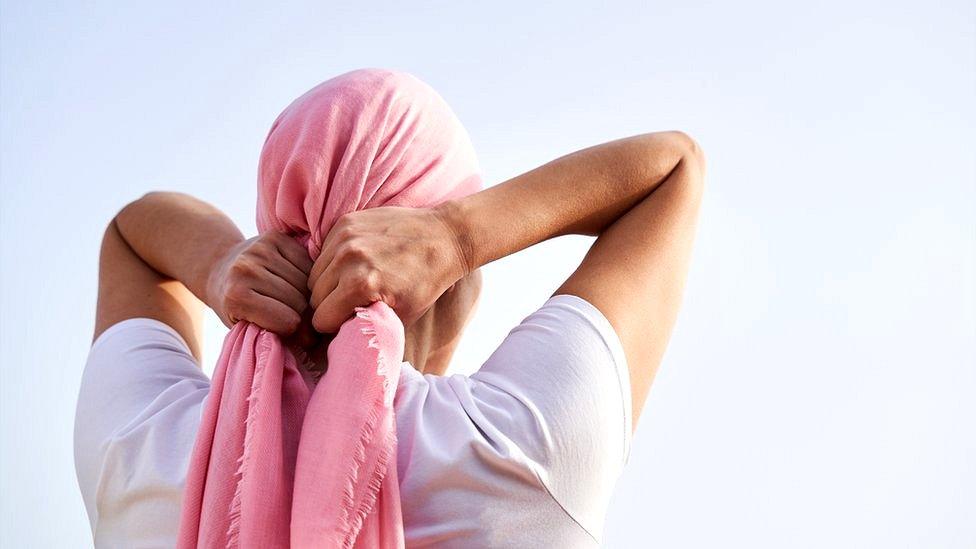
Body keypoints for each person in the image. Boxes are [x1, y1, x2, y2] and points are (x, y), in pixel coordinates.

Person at [74, 71, 705, 547]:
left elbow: (134, 233)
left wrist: (219, 267)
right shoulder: (516, 445)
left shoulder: (142, 447)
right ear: (449, 282)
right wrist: (459, 236)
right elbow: (672, 168)